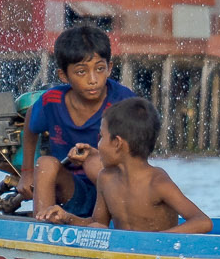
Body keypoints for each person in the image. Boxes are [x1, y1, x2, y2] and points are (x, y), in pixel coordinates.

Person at [44, 97, 213, 234]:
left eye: (101, 136)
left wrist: (156, 241)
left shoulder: (157, 183)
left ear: (117, 143)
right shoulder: (105, 178)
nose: (98, 144)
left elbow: (202, 222)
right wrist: (67, 218)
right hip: (124, 256)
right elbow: (97, 223)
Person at [28, 23, 138, 225]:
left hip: (116, 192)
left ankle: (113, 222)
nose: (93, 80)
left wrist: (96, 155)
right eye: (81, 72)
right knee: (45, 164)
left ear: (110, 68)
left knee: (93, 163)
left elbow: (139, 151)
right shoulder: (51, 101)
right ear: (63, 76)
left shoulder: (124, 100)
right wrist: (26, 174)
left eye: (99, 69)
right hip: (72, 191)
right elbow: (30, 125)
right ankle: (43, 224)